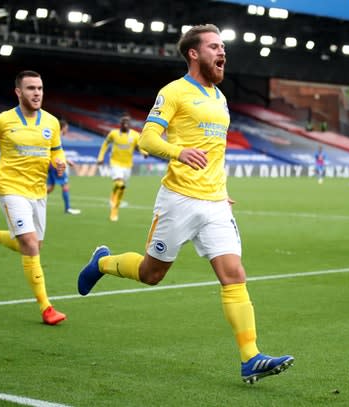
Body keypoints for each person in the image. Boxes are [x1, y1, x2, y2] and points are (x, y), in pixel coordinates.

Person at [77, 24, 293, 384]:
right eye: (214, 47)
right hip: (178, 200)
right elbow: (147, 139)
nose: (222, 52)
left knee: (234, 274)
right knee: (151, 274)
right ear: (194, 53)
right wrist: (178, 151)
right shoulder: (174, 91)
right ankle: (102, 262)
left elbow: (216, 154)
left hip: (214, 203)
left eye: (223, 47)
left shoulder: (220, 99)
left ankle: (250, 357)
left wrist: (221, 189)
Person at [0, 70, 67, 325]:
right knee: (31, 245)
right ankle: (46, 308)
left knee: (31, 245)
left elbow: (57, 151)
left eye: (40, 88)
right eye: (31, 88)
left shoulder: (52, 122)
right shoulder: (2, 121)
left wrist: (60, 163)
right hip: (11, 189)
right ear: (18, 92)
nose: (37, 93)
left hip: (38, 192)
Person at [96, 114, 145, 221]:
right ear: (120, 125)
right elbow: (105, 144)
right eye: (124, 124)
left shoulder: (135, 135)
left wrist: (143, 153)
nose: (126, 126)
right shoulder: (113, 134)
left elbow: (139, 146)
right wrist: (100, 157)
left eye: (128, 124)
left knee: (121, 188)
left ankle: (114, 198)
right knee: (120, 183)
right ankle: (114, 211)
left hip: (127, 165)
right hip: (115, 163)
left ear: (130, 125)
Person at [47, 119, 81, 215]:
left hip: (51, 164)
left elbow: (57, 152)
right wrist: (65, 161)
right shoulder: (57, 136)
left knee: (50, 187)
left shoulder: (55, 136)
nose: (67, 130)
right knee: (65, 185)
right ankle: (67, 208)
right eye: (67, 128)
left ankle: (35, 200)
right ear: (63, 128)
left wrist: (67, 160)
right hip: (56, 165)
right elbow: (55, 153)